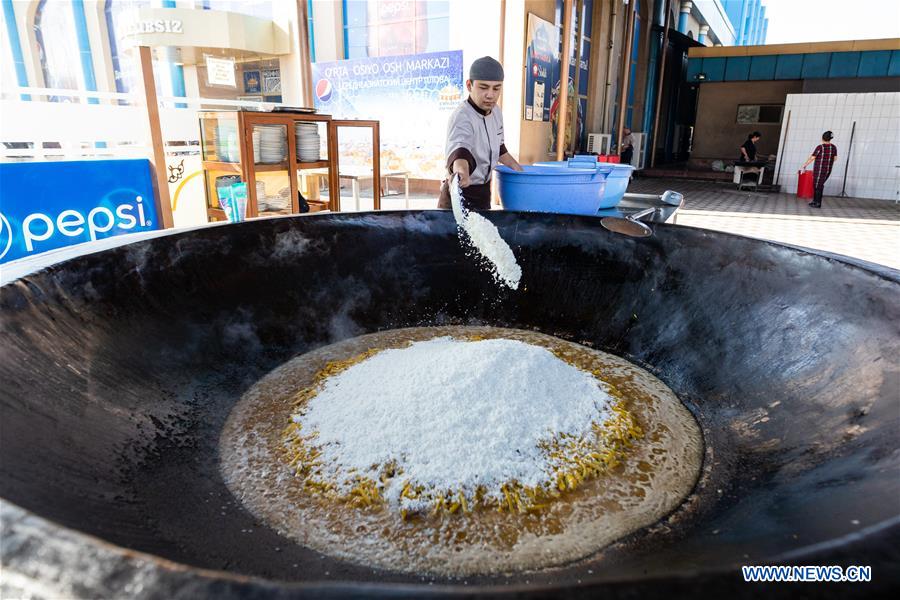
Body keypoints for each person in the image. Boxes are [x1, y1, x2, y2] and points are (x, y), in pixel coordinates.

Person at [438, 56, 522, 210]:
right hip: (460, 195)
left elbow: (500, 147)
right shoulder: (462, 116)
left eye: (496, 88)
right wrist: (462, 172)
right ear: (469, 85)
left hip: (483, 193)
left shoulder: (496, 112)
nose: (490, 95)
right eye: (483, 87)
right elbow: (460, 151)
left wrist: (519, 170)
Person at [801, 131, 837, 208]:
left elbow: (812, 157)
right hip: (827, 170)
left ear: (822, 138)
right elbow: (835, 158)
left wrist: (805, 165)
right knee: (818, 185)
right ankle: (815, 201)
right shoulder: (833, 147)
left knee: (817, 186)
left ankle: (817, 203)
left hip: (819, 169)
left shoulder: (820, 147)